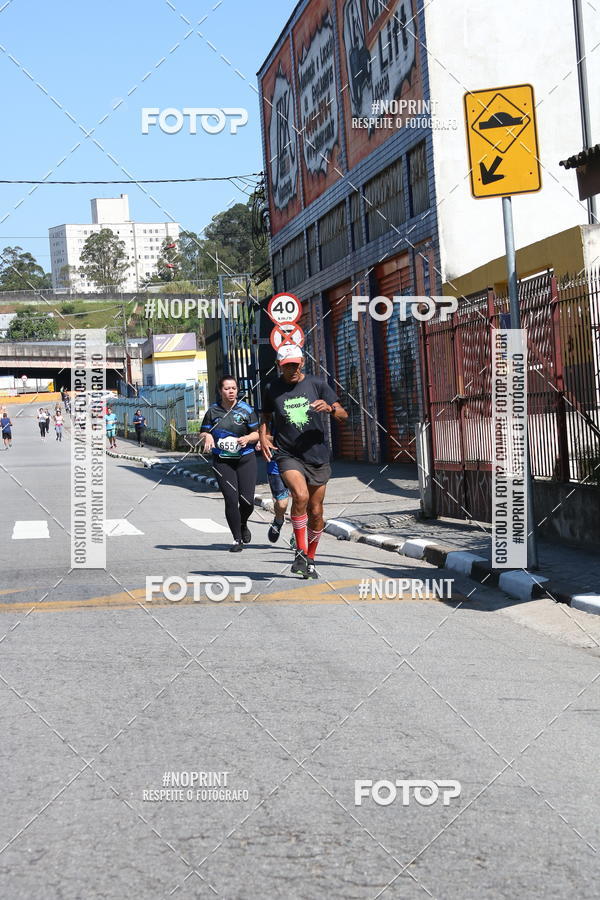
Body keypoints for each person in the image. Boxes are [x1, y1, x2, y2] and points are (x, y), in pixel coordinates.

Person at [260, 345, 348, 579]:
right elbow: (266, 417)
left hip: (317, 455)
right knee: (300, 496)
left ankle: (310, 558)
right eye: (288, 365)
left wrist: (329, 408)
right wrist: (263, 438)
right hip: (287, 453)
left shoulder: (317, 384)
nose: (293, 369)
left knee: (316, 512)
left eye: (296, 364)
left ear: (302, 363)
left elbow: (343, 415)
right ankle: (299, 551)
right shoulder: (271, 388)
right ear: (280, 365)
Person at [200, 376, 259, 552]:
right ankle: (237, 539)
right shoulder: (213, 411)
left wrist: (248, 438)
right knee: (231, 499)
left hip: (245, 458)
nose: (231, 391)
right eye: (227, 388)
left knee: (247, 501)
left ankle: (243, 523)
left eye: (233, 388)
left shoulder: (246, 409)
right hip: (222, 461)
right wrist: (208, 436)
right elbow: (203, 433)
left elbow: (257, 433)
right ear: (220, 391)